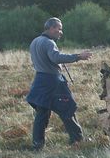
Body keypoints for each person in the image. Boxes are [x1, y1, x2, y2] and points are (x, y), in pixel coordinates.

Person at [26, 17, 92, 150]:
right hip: (53, 81)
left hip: (39, 80)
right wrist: (78, 56)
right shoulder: (48, 42)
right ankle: (78, 140)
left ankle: (37, 144)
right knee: (68, 109)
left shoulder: (35, 41)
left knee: (42, 113)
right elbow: (55, 58)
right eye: (59, 29)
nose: (61, 32)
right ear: (51, 28)